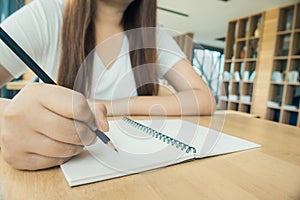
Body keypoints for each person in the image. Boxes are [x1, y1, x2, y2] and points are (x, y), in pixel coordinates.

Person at [0, 0, 216, 170]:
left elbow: (203, 99)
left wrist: (110, 106)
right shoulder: (46, 15)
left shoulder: (154, 35)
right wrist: (8, 119)